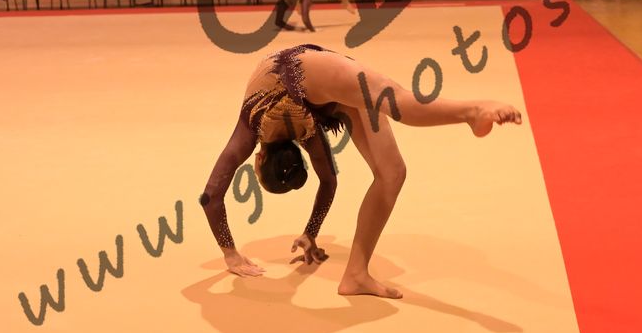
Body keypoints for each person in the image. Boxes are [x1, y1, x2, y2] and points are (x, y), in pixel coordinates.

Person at [199, 43, 524, 297]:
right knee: (391, 172)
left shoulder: (265, 126)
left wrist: (231, 255)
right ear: (259, 159)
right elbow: (210, 197)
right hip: (316, 85)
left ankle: (471, 112)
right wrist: (310, 233)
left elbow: (326, 181)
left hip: (293, 71)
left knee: (394, 100)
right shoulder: (281, 132)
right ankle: (355, 274)